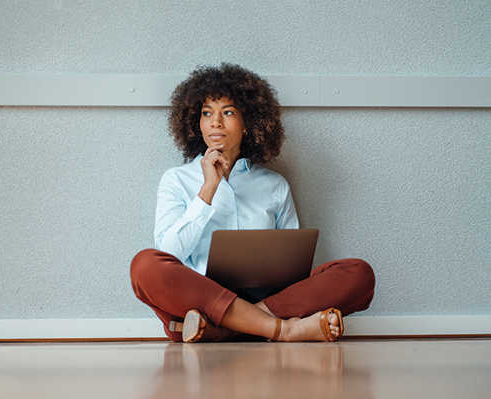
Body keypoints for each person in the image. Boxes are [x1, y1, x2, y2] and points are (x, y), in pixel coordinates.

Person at [130, 63, 375, 343]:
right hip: (203, 298)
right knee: (145, 266)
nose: (215, 122)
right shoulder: (176, 180)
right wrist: (208, 190)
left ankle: (223, 329)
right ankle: (282, 329)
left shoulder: (275, 185)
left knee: (358, 274)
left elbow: (295, 266)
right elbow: (168, 253)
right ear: (195, 123)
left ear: (248, 123)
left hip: (268, 299)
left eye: (228, 112)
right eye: (207, 113)